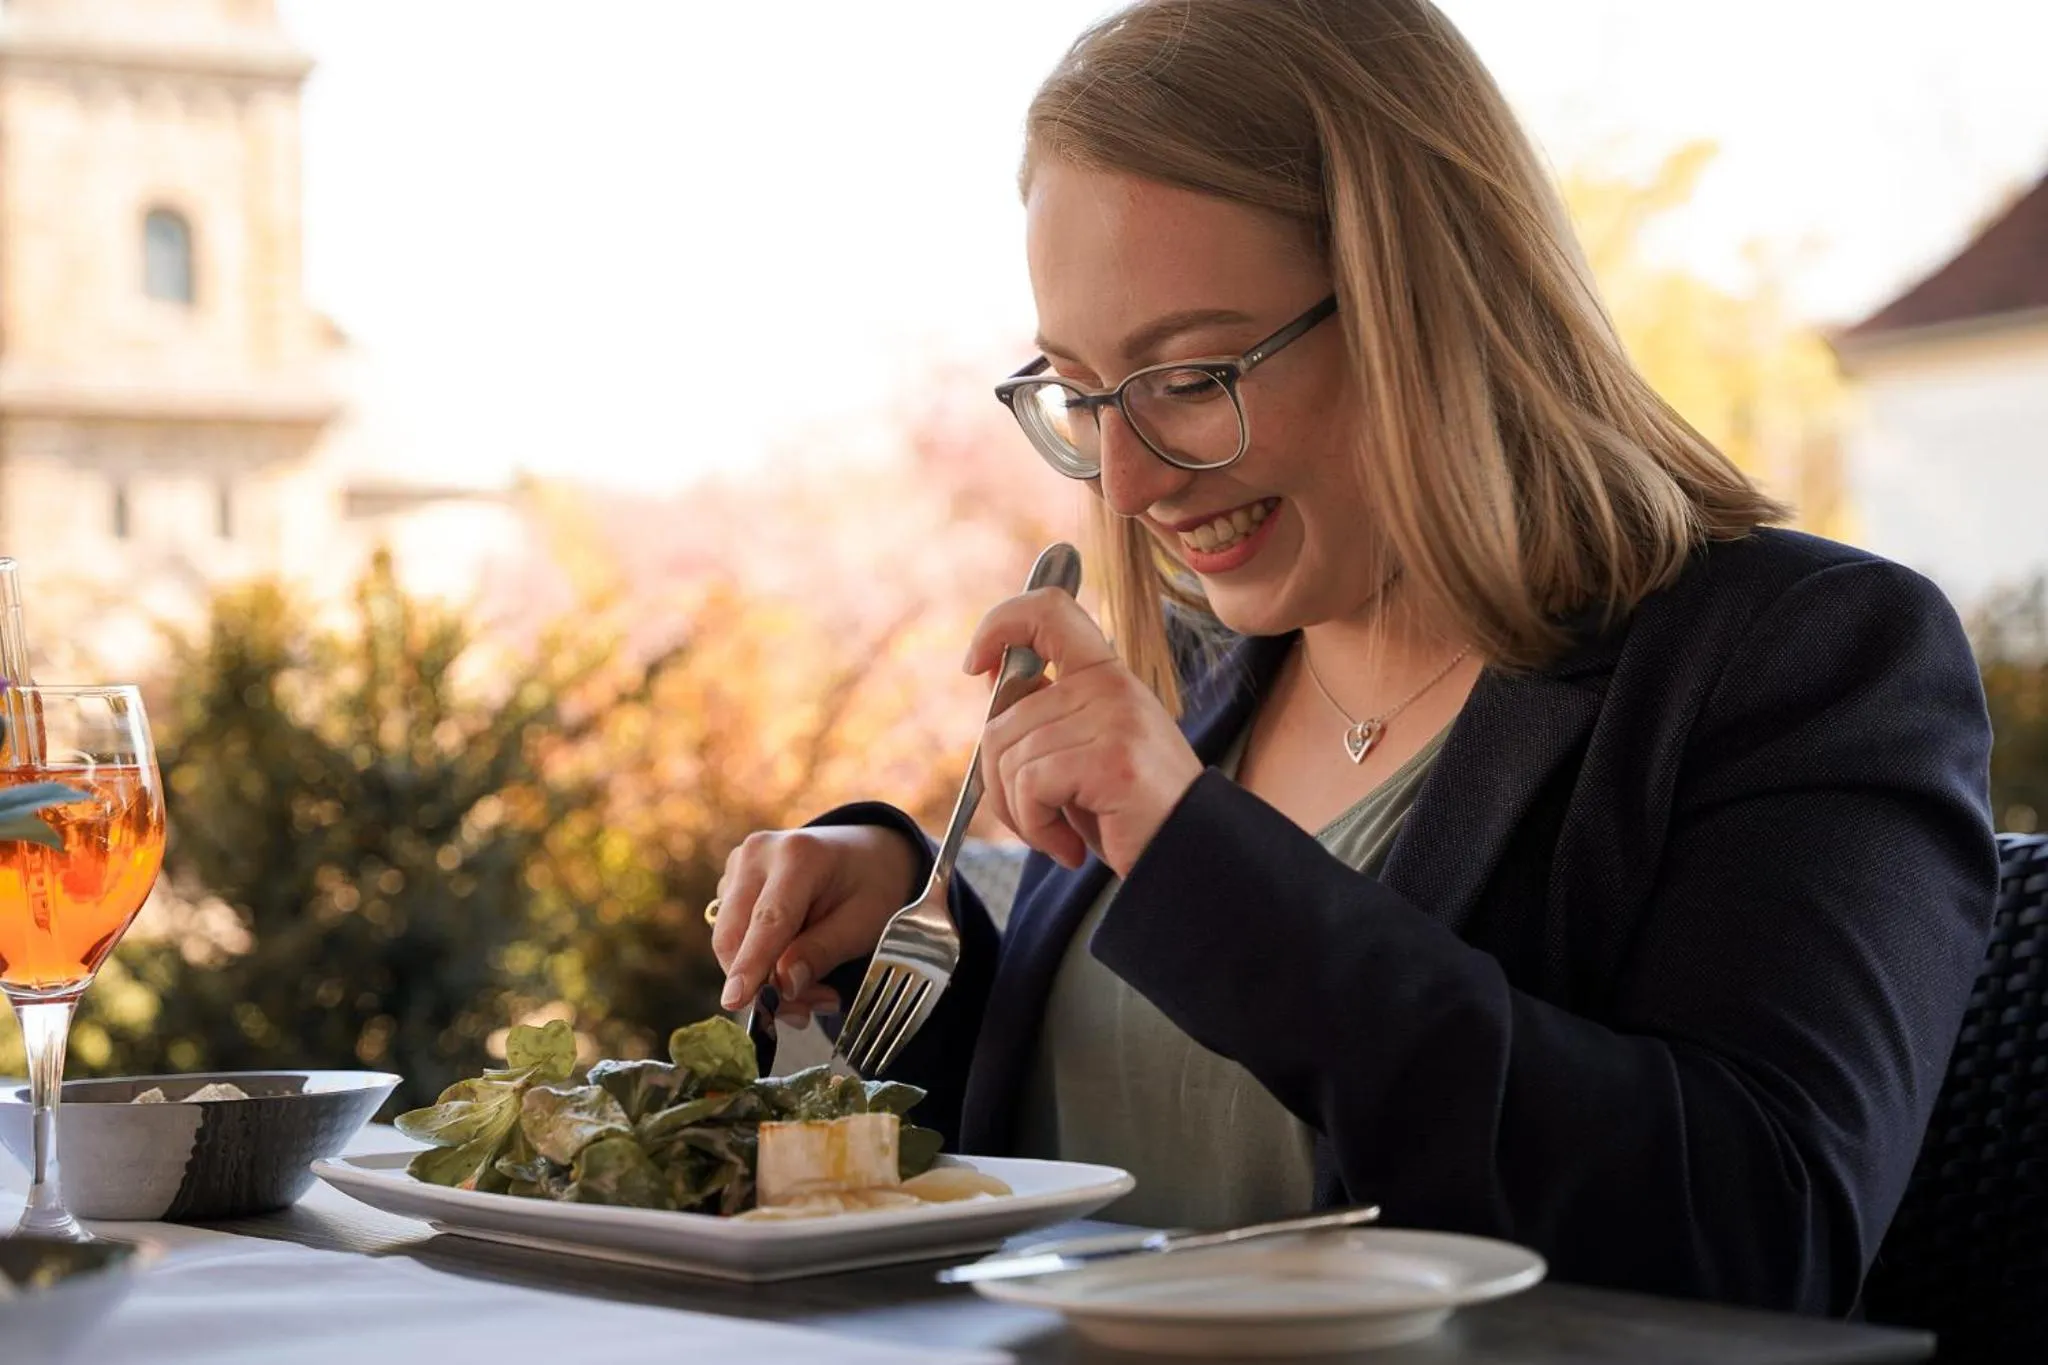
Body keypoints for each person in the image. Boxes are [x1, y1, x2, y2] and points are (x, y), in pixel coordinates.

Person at [707, 0, 1996, 1317]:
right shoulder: (1216, 677)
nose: (1131, 478)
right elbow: (1123, 1145)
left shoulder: (1800, 659)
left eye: (1195, 375)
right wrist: (894, 927)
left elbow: (1759, 1237)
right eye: (1085, 394)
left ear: (1428, 303)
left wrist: (1195, 851)